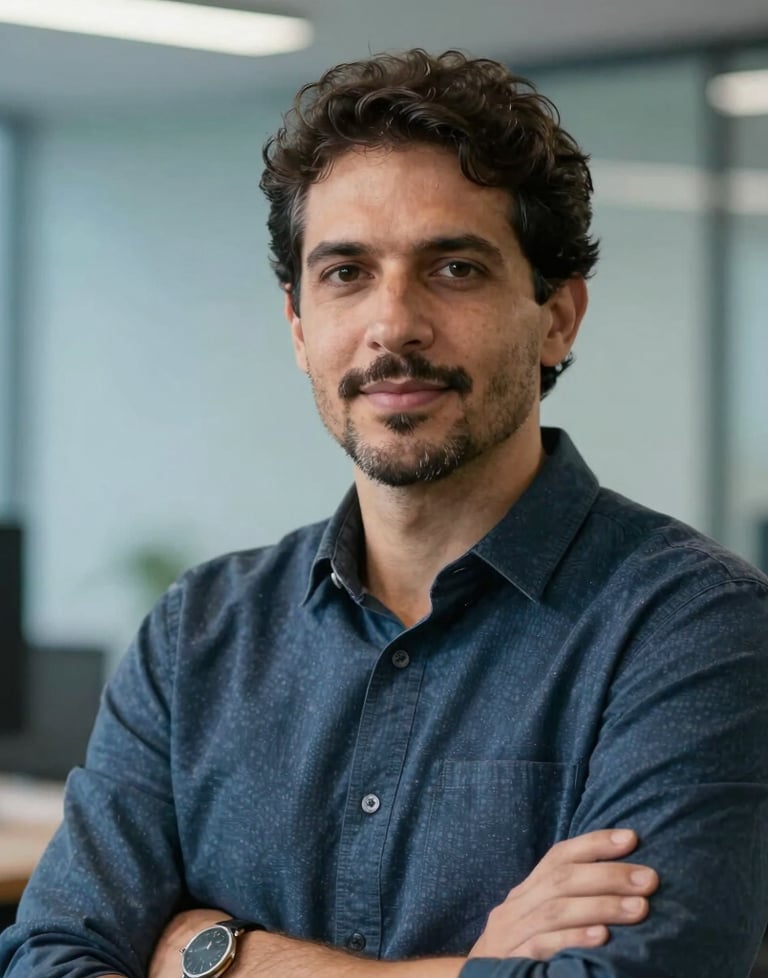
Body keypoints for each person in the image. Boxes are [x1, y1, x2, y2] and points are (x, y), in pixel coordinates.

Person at [1, 48, 768, 978]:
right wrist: (467, 968)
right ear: (297, 328)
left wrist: (219, 959)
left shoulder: (695, 630)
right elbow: (52, 957)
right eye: (345, 273)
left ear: (558, 317)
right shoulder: (194, 638)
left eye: (453, 268)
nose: (393, 324)